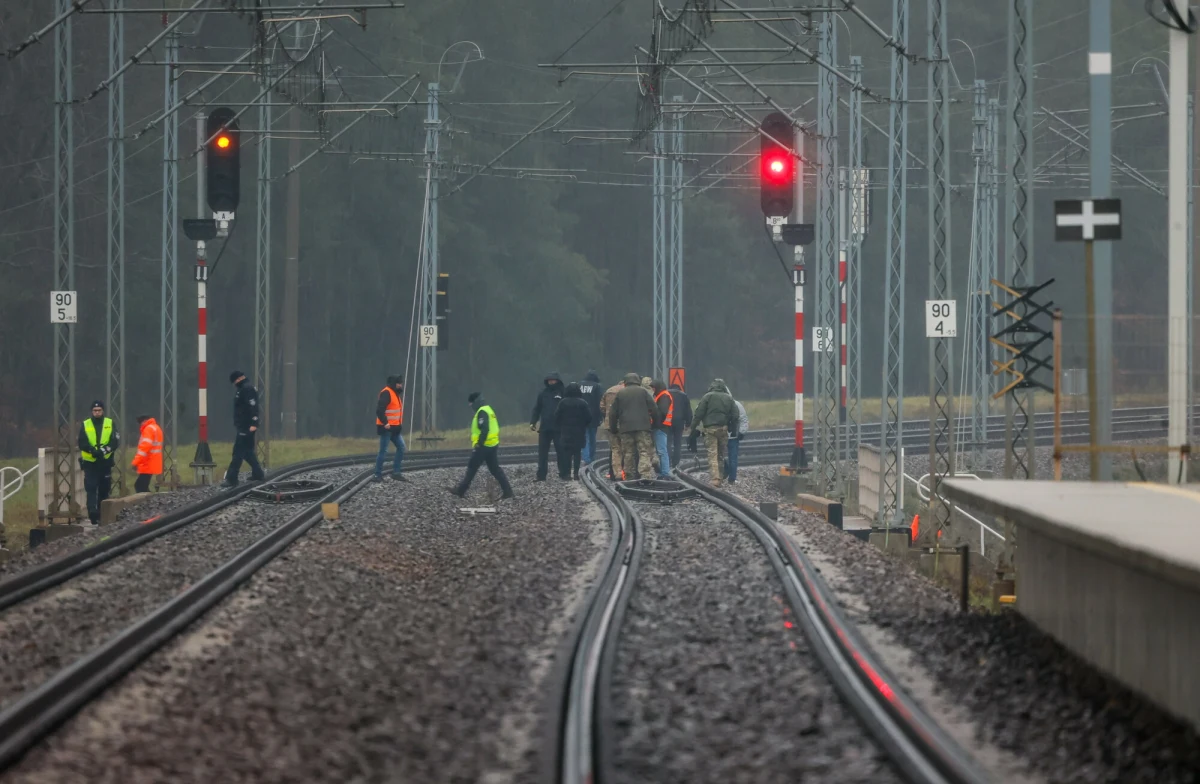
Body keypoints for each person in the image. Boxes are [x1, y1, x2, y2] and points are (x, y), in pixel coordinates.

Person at [450, 392, 514, 499]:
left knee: (472, 467)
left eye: (471, 404)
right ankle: (508, 492)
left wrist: (479, 443)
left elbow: (485, 429)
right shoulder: (488, 409)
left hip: (484, 446)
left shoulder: (482, 412)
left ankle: (460, 491)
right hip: (492, 444)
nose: (470, 407)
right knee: (495, 469)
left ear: (475, 402)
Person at [77, 400, 120, 524]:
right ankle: (92, 512)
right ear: (92, 411)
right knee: (91, 487)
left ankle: (102, 513)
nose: (97, 412)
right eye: (95, 410)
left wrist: (103, 451)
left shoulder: (109, 423)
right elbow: (82, 442)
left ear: (103, 411)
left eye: (99, 410)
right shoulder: (86, 424)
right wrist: (92, 450)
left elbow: (114, 441)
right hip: (90, 462)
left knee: (104, 489)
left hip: (105, 462)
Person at [608, 373, 657, 480]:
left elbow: (612, 413)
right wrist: (655, 424)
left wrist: (613, 428)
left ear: (625, 382)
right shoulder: (643, 391)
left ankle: (629, 474)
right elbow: (654, 408)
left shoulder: (621, 393)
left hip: (626, 428)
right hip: (643, 427)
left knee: (628, 452)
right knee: (644, 451)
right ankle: (645, 474)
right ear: (637, 381)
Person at [222, 370, 266, 488]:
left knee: (238, 452)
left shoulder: (247, 389)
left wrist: (254, 423)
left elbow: (253, 406)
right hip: (243, 425)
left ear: (238, 379)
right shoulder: (242, 388)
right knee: (247, 451)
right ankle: (258, 473)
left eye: (234, 382)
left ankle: (232, 479)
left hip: (246, 426)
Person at [691, 378, 736, 486]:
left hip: (710, 430)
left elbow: (699, 414)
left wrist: (693, 427)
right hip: (723, 430)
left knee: (712, 454)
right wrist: (730, 426)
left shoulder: (707, 397)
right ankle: (720, 477)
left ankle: (715, 478)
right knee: (720, 455)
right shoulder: (729, 398)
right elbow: (735, 415)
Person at [530, 371, 567, 480]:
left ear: (557, 380)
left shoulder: (563, 392)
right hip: (545, 428)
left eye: (553, 380)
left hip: (559, 428)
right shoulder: (543, 393)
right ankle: (541, 476)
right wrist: (533, 421)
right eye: (549, 380)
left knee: (561, 452)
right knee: (542, 454)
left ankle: (564, 473)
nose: (551, 382)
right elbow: (537, 409)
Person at [555, 382, 593, 479]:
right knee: (577, 453)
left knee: (567, 453)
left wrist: (561, 425)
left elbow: (557, 416)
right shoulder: (583, 403)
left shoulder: (562, 402)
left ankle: (567, 473)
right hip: (579, 431)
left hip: (566, 431)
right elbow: (589, 417)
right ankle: (576, 473)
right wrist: (583, 424)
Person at [374, 375, 407, 482]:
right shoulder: (387, 393)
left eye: (401, 383)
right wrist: (386, 423)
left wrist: (398, 425)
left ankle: (396, 473)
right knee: (383, 451)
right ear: (394, 383)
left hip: (394, 429)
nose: (401, 385)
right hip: (386, 428)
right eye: (399, 383)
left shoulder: (395, 393)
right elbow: (379, 410)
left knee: (401, 447)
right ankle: (377, 475)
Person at [131, 414, 163, 493]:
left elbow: (144, 448)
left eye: (141, 423)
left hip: (147, 462)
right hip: (153, 461)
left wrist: (135, 462)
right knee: (143, 486)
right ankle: (149, 498)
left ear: (145, 421)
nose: (140, 425)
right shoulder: (156, 428)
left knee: (139, 486)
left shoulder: (148, 429)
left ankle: (147, 500)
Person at [599, 380, 625, 480]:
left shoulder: (609, 391)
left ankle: (615, 473)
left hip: (609, 424)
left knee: (614, 449)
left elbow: (602, 407)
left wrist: (607, 415)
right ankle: (625, 473)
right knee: (626, 449)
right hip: (624, 424)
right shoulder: (626, 391)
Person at [651, 379, 674, 479]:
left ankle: (665, 473)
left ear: (658, 387)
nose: (652, 389)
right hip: (661, 426)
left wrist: (656, 421)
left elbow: (662, 411)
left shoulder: (664, 396)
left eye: (653, 387)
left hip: (661, 426)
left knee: (662, 451)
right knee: (661, 450)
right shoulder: (661, 395)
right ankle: (663, 472)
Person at [578, 370, 603, 465]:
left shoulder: (579, 385)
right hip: (594, 416)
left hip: (581, 416)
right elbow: (600, 402)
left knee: (585, 437)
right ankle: (592, 457)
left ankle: (586, 458)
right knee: (592, 438)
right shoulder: (597, 386)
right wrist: (601, 416)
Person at [725, 391, 749, 485]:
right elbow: (743, 418)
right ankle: (732, 478)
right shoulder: (737, 404)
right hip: (733, 435)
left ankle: (724, 473)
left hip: (720, 435)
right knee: (733, 457)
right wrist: (742, 431)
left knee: (717, 456)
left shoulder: (716, 404)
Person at [668, 381, 693, 466]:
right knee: (677, 442)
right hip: (679, 422)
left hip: (667, 421)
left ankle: (667, 460)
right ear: (679, 388)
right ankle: (676, 461)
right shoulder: (684, 395)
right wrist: (688, 423)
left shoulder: (666, 394)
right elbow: (688, 411)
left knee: (668, 441)